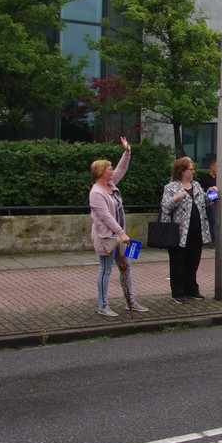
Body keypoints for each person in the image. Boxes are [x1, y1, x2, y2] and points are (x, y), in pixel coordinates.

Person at [89, 136, 148, 317]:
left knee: (125, 267)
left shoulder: (111, 184)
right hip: (106, 238)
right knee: (105, 270)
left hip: (119, 237)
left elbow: (121, 169)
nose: (112, 171)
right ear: (101, 172)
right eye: (109, 169)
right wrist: (121, 233)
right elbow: (106, 217)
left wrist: (127, 152)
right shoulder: (96, 193)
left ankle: (131, 302)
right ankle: (103, 305)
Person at [161, 156, 211, 303]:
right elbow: (165, 207)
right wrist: (176, 198)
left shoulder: (196, 185)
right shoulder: (171, 187)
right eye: (190, 169)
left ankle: (192, 289)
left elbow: (205, 201)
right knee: (178, 263)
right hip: (180, 233)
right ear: (182, 171)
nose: (193, 171)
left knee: (193, 261)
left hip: (197, 231)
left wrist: (211, 194)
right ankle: (178, 292)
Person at [198, 158, 219, 243]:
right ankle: (215, 240)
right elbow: (201, 191)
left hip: (219, 201)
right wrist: (209, 190)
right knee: (213, 221)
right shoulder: (205, 177)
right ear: (212, 167)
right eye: (217, 167)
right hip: (211, 202)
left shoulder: (218, 178)